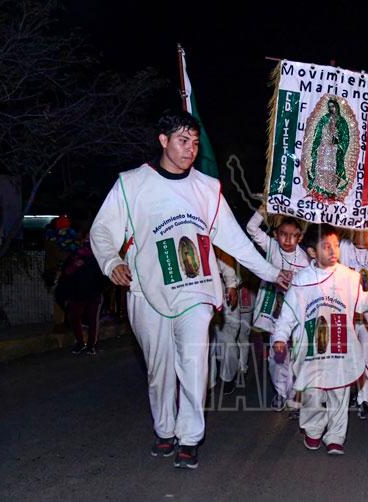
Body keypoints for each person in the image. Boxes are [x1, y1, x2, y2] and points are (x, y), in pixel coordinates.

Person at [89, 110, 291, 470]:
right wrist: (111, 261)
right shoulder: (131, 184)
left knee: (194, 364)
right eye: (183, 141)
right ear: (163, 140)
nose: (191, 149)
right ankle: (165, 429)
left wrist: (273, 272)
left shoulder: (207, 189)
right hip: (146, 290)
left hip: (197, 290)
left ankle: (190, 437)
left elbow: (236, 242)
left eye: (195, 143)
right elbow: (102, 231)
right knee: (159, 368)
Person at [271, 224, 368, 455]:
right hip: (311, 348)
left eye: (335, 245)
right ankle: (313, 430)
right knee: (313, 392)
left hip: (341, 346)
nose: (333, 251)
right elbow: (289, 314)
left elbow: (364, 302)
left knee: (339, 391)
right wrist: (280, 337)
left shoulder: (349, 277)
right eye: (326, 246)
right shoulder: (302, 280)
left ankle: (336, 435)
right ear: (312, 252)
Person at [244, 206, 310, 411]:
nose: (288, 240)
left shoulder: (305, 260)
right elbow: (251, 228)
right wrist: (262, 210)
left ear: (300, 237)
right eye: (283, 234)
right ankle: (283, 393)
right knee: (276, 353)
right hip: (271, 306)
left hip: (294, 311)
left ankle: (294, 393)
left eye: (293, 236)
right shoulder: (271, 246)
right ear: (276, 234)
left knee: (294, 353)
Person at [339, 229, 368, 420]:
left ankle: (364, 399)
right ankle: (342, 398)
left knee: (367, 359)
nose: (364, 229)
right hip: (347, 314)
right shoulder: (343, 247)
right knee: (345, 357)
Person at [56, 226, 109, 355]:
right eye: (86, 236)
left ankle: (91, 345)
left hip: (93, 291)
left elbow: (104, 273)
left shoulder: (99, 253)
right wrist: (74, 266)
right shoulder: (76, 253)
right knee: (74, 317)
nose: (87, 239)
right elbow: (67, 271)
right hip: (77, 292)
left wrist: (100, 288)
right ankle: (80, 343)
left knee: (92, 320)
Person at [209, 250, 252, 395]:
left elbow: (225, 258)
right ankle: (208, 381)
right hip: (203, 289)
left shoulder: (222, 236)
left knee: (228, 337)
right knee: (206, 342)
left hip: (227, 290)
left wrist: (230, 284)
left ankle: (228, 377)